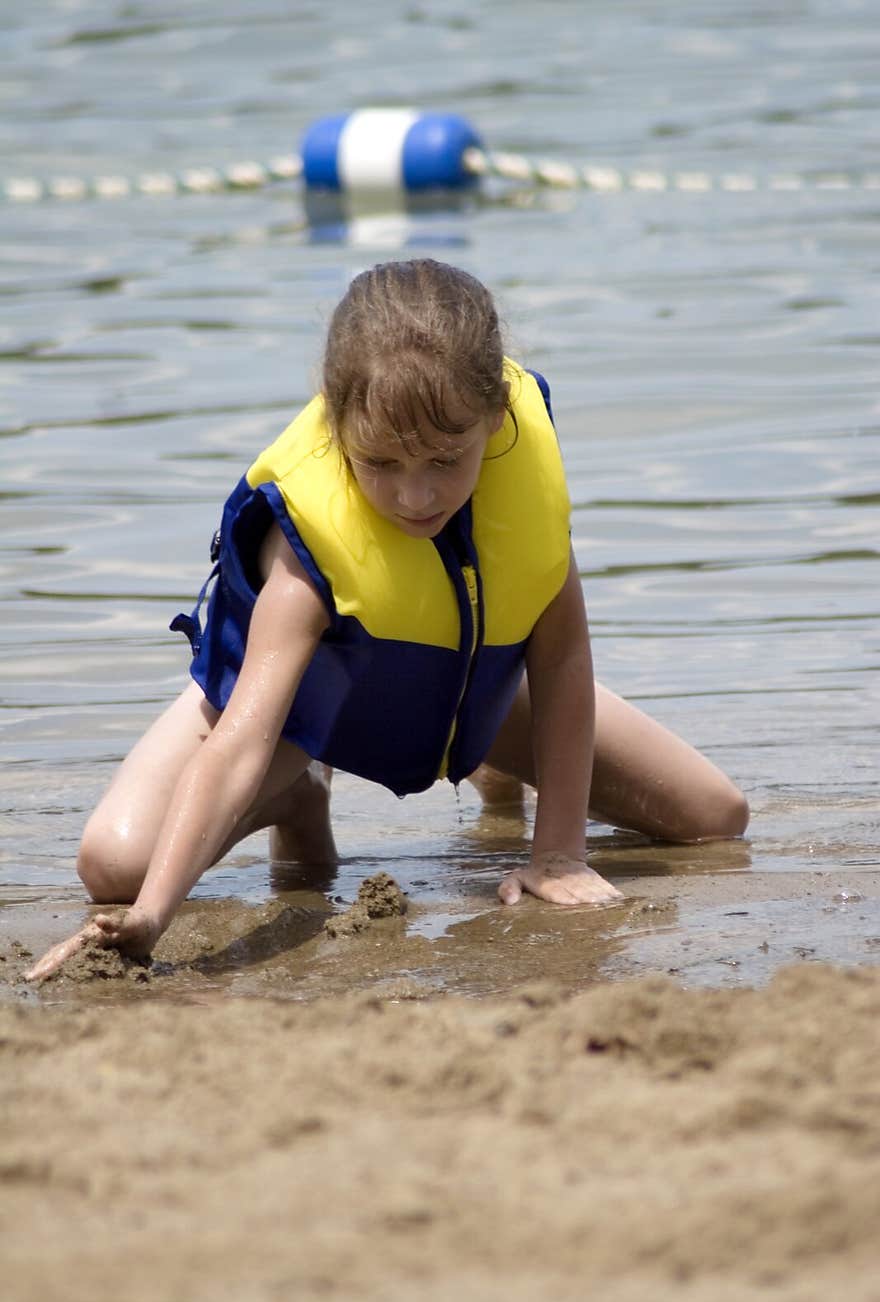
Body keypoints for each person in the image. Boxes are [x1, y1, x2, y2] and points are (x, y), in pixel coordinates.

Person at [27, 259, 748, 980]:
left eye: (444, 458)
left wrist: (558, 853)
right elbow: (238, 746)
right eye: (379, 462)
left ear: (495, 415)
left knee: (714, 818)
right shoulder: (308, 546)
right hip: (293, 714)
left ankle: (495, 768)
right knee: (117, 863)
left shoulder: (521, 473)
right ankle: (301, 791)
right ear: (338, 426)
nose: (414, 495)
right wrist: (153, 917)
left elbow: (558, 657)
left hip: (473, 693)